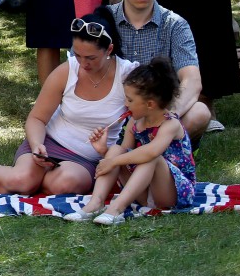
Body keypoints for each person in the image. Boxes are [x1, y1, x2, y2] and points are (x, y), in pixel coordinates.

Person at [0, 9, 137, 196]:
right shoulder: (67, 70)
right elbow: (37, 118)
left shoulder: (127, 75)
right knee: (22, 181)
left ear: (109, 50)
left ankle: (5, 176)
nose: (83, 63)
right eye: (78, 55)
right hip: (49, 142)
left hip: (86, 157)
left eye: (90, 58)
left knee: (63, 185)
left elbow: (146, 114)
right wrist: (37, 146)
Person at [62, 58, 197, 225]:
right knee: (116, 149)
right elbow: (125, 154)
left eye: (130, 100)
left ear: (150, 104)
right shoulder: (135, 121)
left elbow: (151, 152)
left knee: (151, 158)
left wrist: (113, 161)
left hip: (172, 194)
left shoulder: (170, 124)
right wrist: (105, 151)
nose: (126, 104)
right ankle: (95, 204)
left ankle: (116, 209)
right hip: (143, 191)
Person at [108, 0, 212, 141]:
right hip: (112, 110)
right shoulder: (104, 20)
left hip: (158, 113)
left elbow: (192, 80)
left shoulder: (175, 25)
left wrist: (167, 117)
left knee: (200, 112)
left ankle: (156, 143)